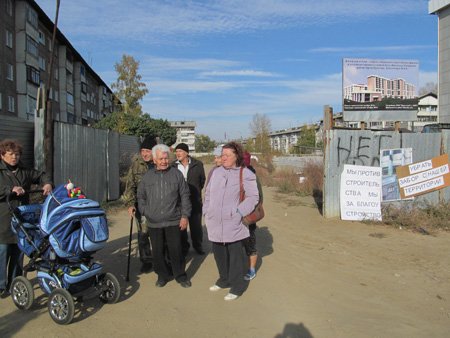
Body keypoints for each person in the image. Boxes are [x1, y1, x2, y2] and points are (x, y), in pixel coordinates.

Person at [203, 142, 259, 301]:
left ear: (237, 156)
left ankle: (238, 286)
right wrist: (206, 211)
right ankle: (223, 280)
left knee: (235, 257)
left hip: (233, 223)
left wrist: (238, 212)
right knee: (219, 255)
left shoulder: (245, 173)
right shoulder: (215, 172)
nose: (224, 157)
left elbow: (253, 197)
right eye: (223, 154)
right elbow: (207, 194)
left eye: (228, 155)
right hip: (214, 222)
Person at [0, 139, 52, 298]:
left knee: (19, 252)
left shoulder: (25, 171)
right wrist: (10, 189)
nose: (14, 157)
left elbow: (42, 175)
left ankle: (15, 283)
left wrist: (47, 183)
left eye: (17, 154)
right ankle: (1, 285)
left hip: (21, 219)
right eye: (11, 154)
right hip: (2, 218)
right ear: (2, 155)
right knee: (2, 252)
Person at [137, 144, 192, 288]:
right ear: (154, 159)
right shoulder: (147, 177)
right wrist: (145, 211)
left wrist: (185, 216)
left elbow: (185, 196)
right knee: (158, 252)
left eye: (166, 158)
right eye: (161, 159)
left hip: (173, 220)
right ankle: (162, 275)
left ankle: (180, 275)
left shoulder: (177, 174)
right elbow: (141, 197)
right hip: (154, 222)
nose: (164, 161)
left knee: (176, 251)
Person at [122, 135, 157, 273]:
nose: (144, 154)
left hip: (159, 207)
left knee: (160, 234)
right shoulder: (136, 164)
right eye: (142, 151)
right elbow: (130, 186)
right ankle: (146, 260)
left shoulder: (160, 162)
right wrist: (130, 204)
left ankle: (164, 259)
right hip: (142, 207)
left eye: (147, 151)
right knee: (143, 235)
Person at [172, 143, 206, 256]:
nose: (177, 154)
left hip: (195, 201)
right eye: (176, 152)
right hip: (179, 202)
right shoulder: (173, 166)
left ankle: (198, 245)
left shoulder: (198, 164)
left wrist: (194, 191)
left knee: (196, 226)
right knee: (181, 226)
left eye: (180, 151)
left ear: (187, 153)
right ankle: (184, 247)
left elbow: (202, 180)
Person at [242, 151, 263, 281]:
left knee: (250, 244)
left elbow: (259, 198)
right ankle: (240, 267)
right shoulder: (235, 174)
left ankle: (251, 270)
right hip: (236, 217)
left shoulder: (251, 176)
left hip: (247, 218)